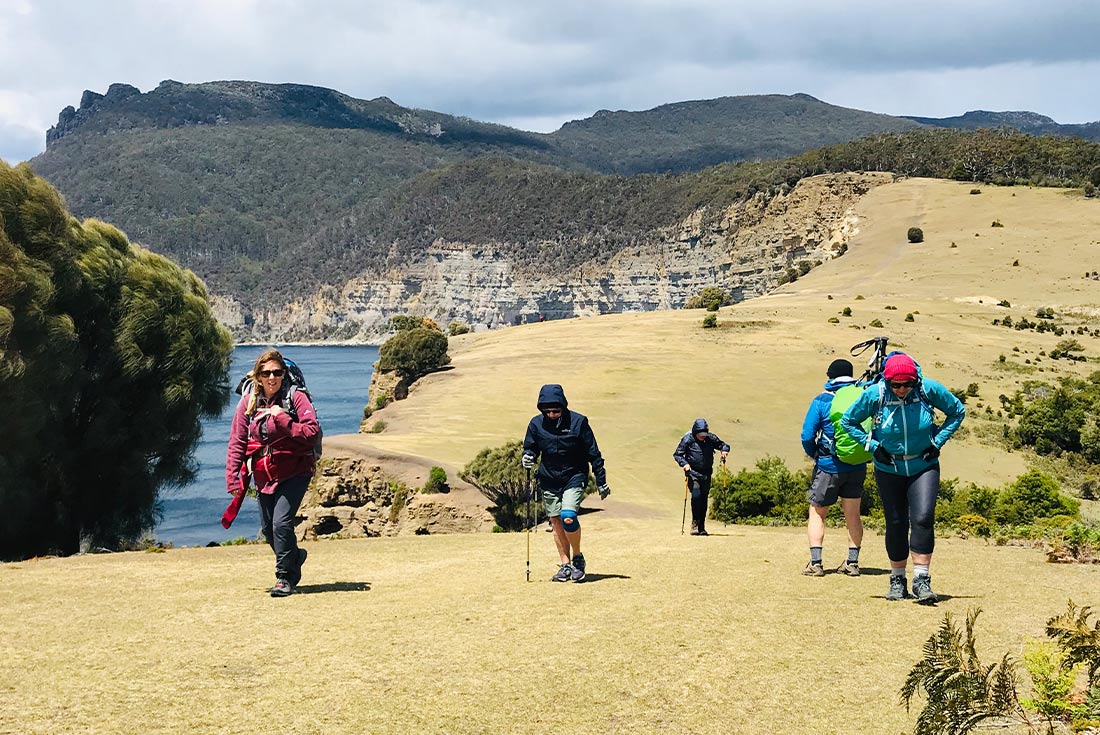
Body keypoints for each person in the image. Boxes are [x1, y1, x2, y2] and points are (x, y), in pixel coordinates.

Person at [841, 353, 966, 604]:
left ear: (915, 381)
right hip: (889, 468)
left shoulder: (927, 389)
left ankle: (922, 581)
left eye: (907, 385)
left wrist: (938, 441)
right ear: (887, 381)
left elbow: (957, 412)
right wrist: (873, 445)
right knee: (896, 522)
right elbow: (848, 421)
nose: (901, 390)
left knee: (922, 518)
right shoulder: (875, 394)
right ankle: (897, 580)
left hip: (924, 464)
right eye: (895, 385)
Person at [225, 349, 321, 597]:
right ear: (257, 376)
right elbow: (237, 441)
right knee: (269, 530)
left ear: (283, 374)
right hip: (263, 475)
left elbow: (311, 433)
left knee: (281, 524)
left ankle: (284, 578)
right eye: (266, 373)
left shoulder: (295, 398)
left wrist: (282, 420)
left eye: (277, 372)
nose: (272, 378)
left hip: (295, 470)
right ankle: (295, 557)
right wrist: (232, 476)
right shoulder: (248, 403)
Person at [522, 384, 610, 583]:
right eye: (547, 411)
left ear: (563, 406)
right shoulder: (536, 424)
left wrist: (601, 481)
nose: (552, 414)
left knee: (568, 516)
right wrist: (528, 456)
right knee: (556, 523)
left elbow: (594, 453)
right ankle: (565, 565)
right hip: (549, 478)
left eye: (556, 410)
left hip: (574, 475)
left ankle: (578, 558)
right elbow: (531, 447)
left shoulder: (579, 422)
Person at [799, 359, 867, 576]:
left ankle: (816, 563)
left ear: (830, 376)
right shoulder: (862, 398)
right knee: (853, 515)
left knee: (818, 513)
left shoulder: (822, 400)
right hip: (856, 465)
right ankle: (852, 563)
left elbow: (807, 435)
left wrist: (816, 454)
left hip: (828, 465)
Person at [672, 418, 729, 536]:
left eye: (704, 434)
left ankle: (702, 527)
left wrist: (724, 451)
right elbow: (678, 454)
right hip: (693, 472)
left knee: (704, 499)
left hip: (707, 473)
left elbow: (723, 445)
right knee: (696, 495)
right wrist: (685, 464)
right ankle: (694, 524)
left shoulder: (710, 438)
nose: (703, 436)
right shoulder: (688, 439)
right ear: (695, 432)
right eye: (700, 434)